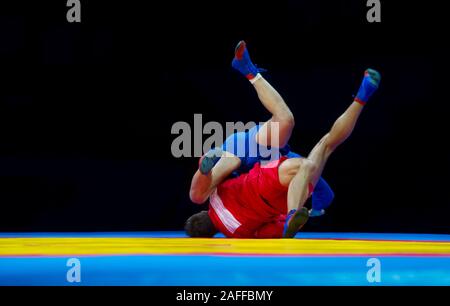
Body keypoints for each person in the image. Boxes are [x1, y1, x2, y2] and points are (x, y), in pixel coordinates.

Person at [186, 41, 380, 238]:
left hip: (262, 177)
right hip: (259, 173)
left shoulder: (239, 233)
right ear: (203, 213)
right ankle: (206, 168)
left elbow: (270, 231)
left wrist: (306, 212)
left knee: (321, 149)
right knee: (287, 124)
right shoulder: (214, 198)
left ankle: (360, 100)